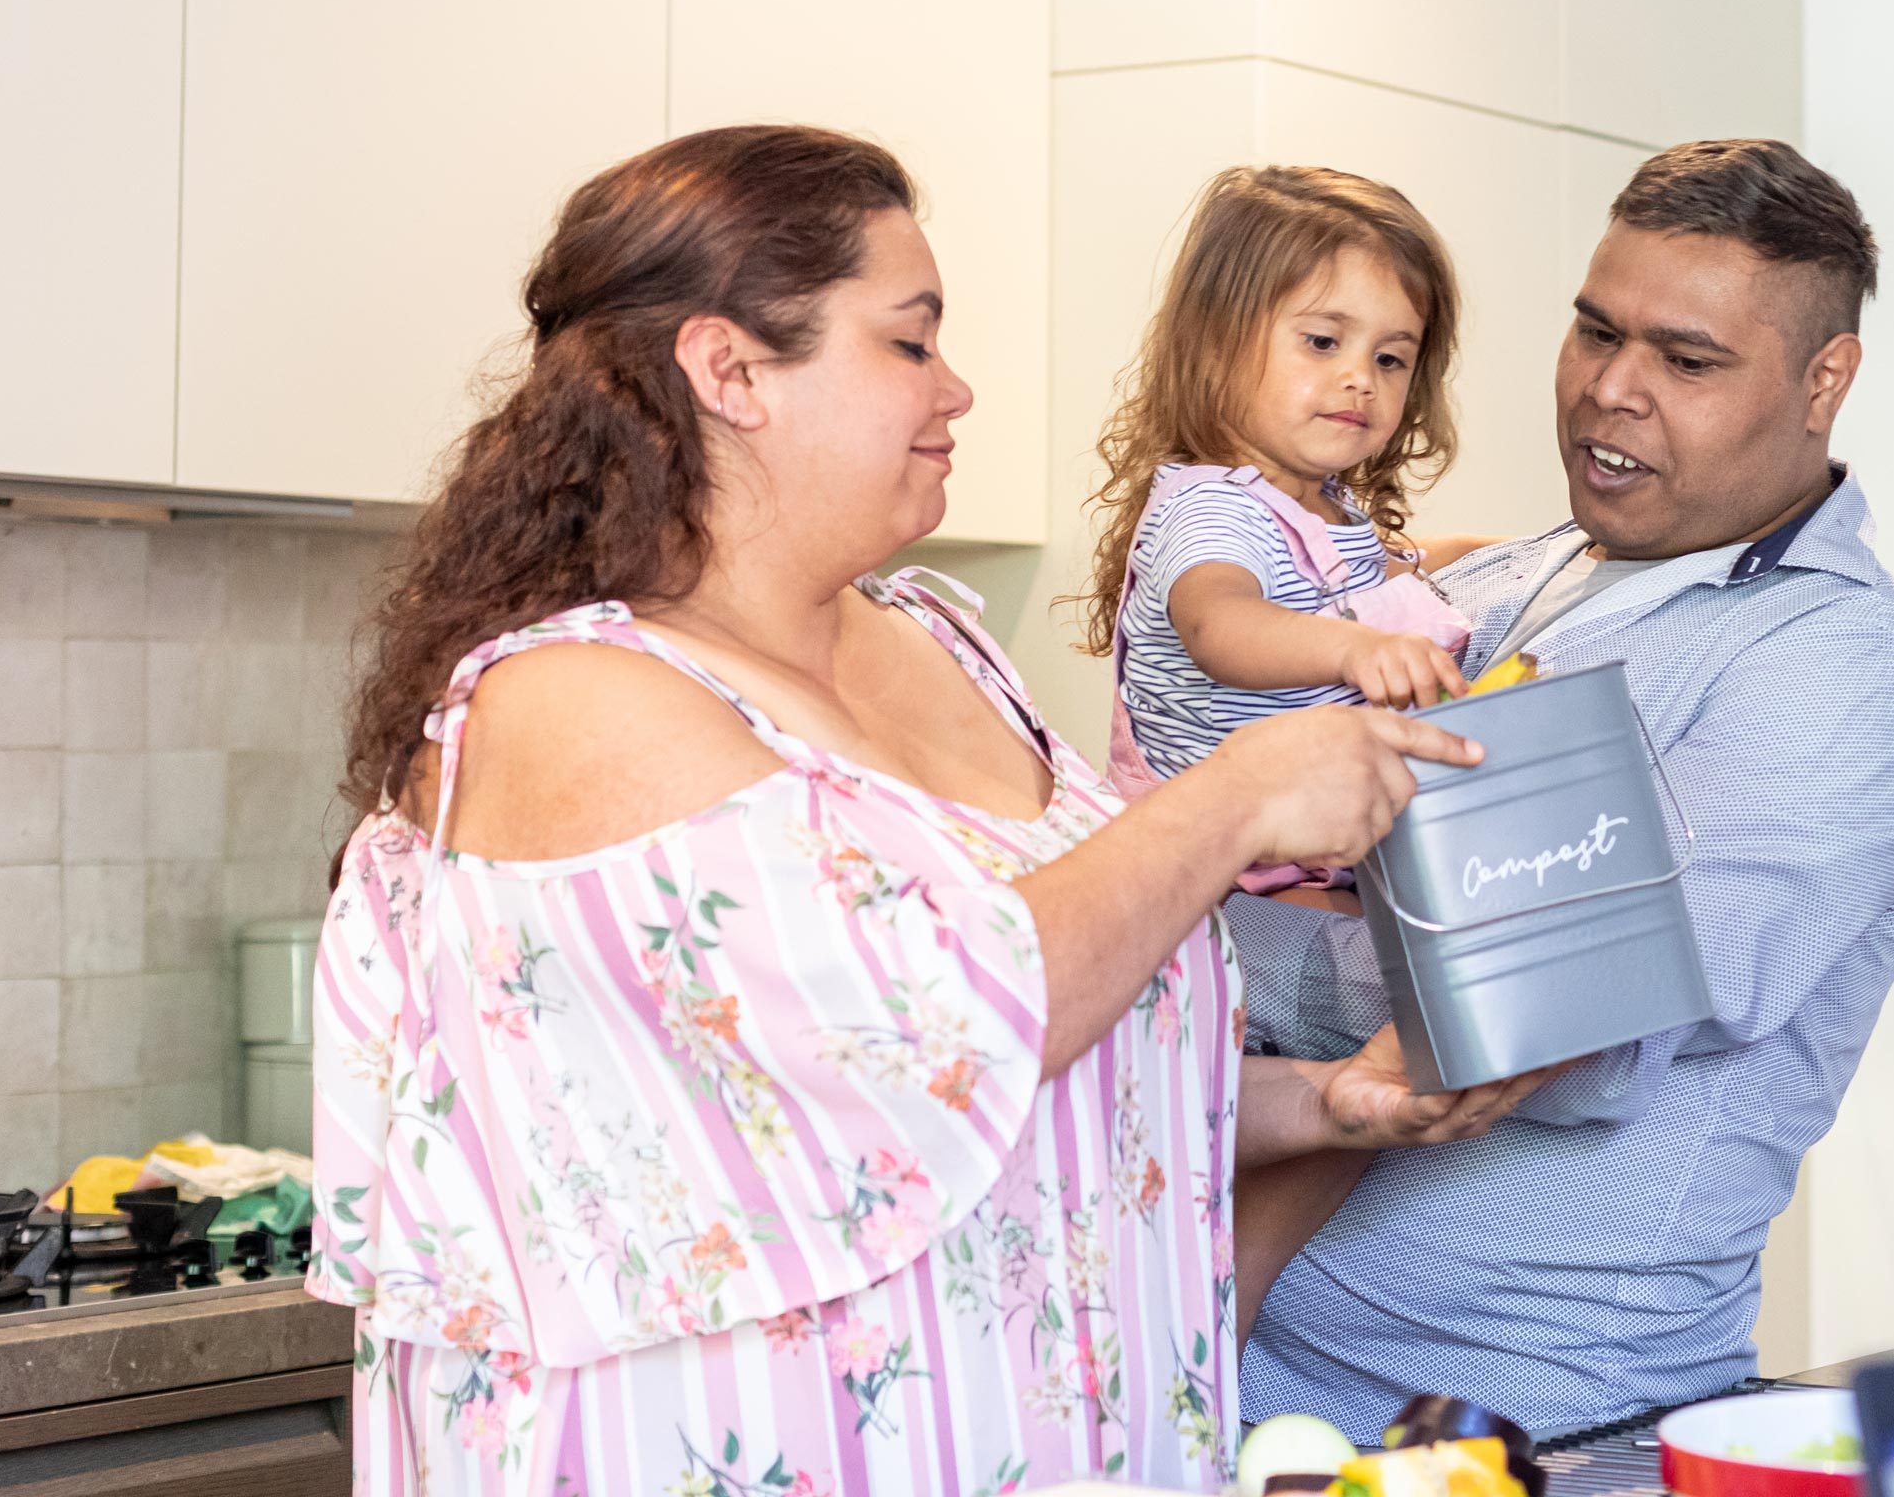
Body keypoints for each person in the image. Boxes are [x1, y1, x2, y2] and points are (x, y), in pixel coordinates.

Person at [304, 124, 1547, 1494]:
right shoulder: (575, 700)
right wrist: (1240, 800)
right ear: (728, 373)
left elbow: (1038, 1082)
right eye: (909, 341)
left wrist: (1329, 1104)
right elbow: (928, 1034)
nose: (955, 389)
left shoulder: (941, 644)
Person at [1233, 138, 1894, 1440]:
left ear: (1825, 380)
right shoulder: (1500, 582)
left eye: (1685, 362)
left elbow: (1552, 1018)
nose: (1610, 393)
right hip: (1245, 1373)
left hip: (1520, 1424)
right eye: (1594, 332)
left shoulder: (1847, 675)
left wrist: (1202, 925)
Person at [1075, 165, 1477, 845]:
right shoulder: (1211, 506)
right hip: (1221, 869)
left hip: (1296, 845)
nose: (1359, 378)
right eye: (1323, 342)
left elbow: (1375, 572)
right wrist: (1355, 650)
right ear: (1214, 345)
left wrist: (1508, 553)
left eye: (1389, 358)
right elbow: (1221, 626)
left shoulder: (1324, 506)